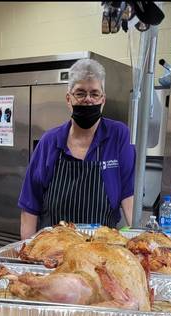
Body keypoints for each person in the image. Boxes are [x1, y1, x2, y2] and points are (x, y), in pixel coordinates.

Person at [17, 58, 136, 239]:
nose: (88, 99)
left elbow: (128, 196)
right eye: (80, 93)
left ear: (103, 100)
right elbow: (30, 206)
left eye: (95, 94)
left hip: (102, 251)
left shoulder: (118, 135)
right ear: (68, 99)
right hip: (55, 251)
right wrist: (28, 254)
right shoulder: (50, 142)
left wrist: (140, 245)